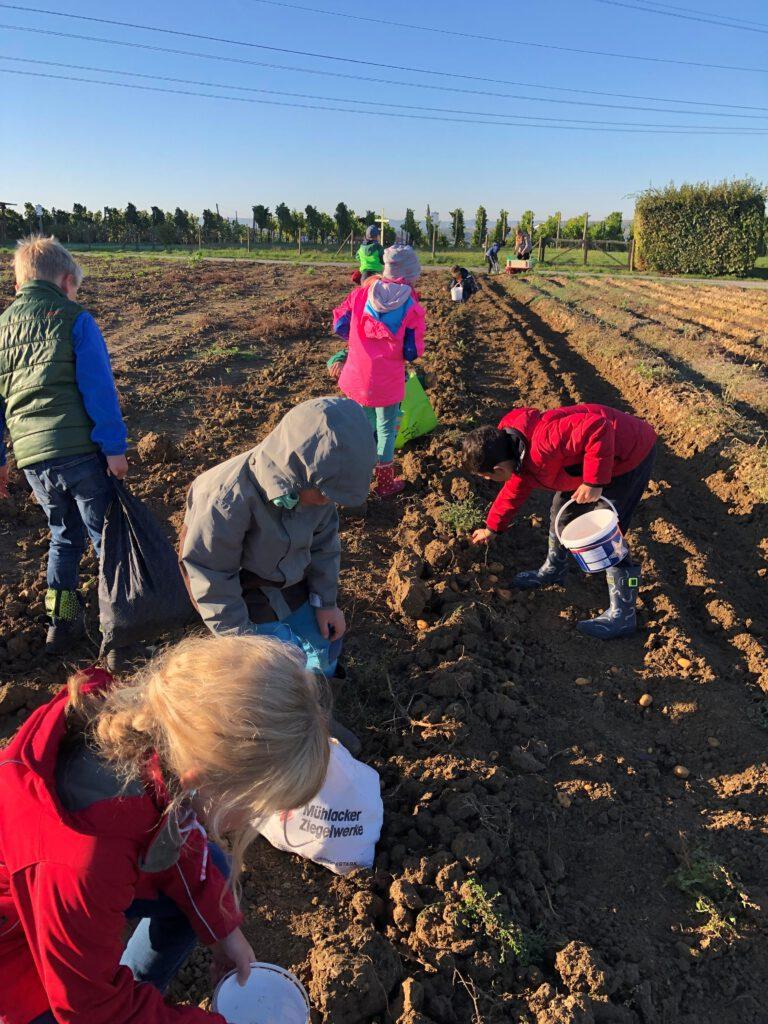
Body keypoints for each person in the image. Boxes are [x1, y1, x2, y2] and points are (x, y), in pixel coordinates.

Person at [0, 633, 330, 1024]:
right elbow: (91, 1012)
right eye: (258, 807)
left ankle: (140, 989)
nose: (260, 819)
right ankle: (132, 1000)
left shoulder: (152, 727)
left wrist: (224, 931)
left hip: (69, 901)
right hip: (16, 955)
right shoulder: (85, 858)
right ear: (201, 778)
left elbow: (179, 828)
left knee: (210, 879)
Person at [180, 397, 376, 685]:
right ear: (298, 474)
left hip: (287, 575)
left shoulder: (318, 488)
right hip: (242, 591)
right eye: (324, 494)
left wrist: (325, 603)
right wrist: (242, 643)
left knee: (327, 643)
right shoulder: (226, 499)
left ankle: (325, 694)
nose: (327, 502)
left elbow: (324, 546)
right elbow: (211, 577)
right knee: (279, 669)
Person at [0, 236, 128, 655]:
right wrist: (114, 447)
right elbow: (99, 388)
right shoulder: (74, 318)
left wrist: (1, 460)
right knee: (105, 540)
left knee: (62, 539)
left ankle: (62, 622)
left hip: (34, 461)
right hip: (80, 454)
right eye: (76, 287)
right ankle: (118, 632)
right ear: (67, 280)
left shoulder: (2, 328)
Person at [462, 404, 658, 640]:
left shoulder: (545, 441)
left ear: (498, 467)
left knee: (606, 534)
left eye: (487, 476)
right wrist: (491, 527)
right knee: (560, 512)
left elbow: (598, 427)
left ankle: (623, 615)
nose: (489, 481)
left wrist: (594, 481)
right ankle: (554, 569)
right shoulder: (514, 450)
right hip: (586, 459)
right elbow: (515, 489)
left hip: (626, 454)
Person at [329, 244, 426, 499]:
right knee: (385, 429)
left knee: (358, 425)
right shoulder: (411, 304)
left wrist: (357, 341)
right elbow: (412, 350)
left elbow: (340, 322)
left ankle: (353, 476)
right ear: (409, 275)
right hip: (387, 379)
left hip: (357, 374)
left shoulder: (362, 293)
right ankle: (384, 484)